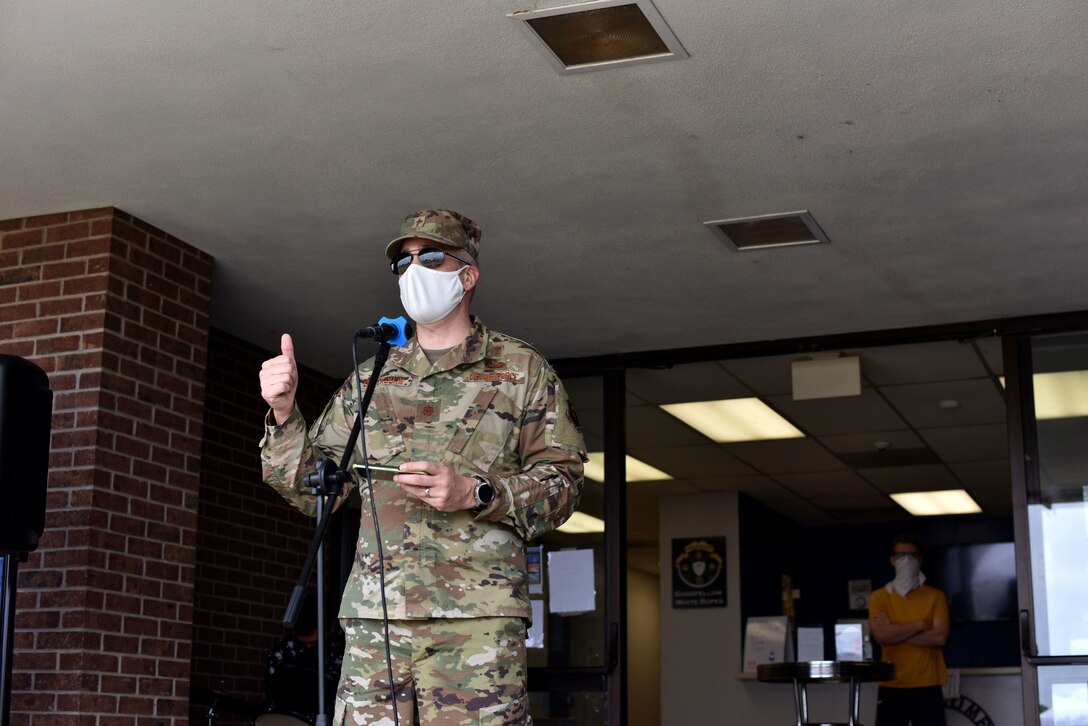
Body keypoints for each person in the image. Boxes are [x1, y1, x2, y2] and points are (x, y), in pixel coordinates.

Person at [258, 209, 587, 725]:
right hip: (376, 619)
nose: (413, 270)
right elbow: (313, 489)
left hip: (475, 623)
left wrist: (476, 493)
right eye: (403, 262)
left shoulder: (520, 370)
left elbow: (564, 487)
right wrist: (283, 413)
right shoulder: (370, 379)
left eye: (430, 257)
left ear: (467, 274)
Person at [868, 535, 950, 726]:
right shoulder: (879, 597)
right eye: (901, 555)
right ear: (892, 560)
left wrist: (895, 630)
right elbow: (881, 635)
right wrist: (920, 625)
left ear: (920, 560)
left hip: (928, 684)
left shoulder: (935, 596)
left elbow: (940, 637)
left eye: (912, 556)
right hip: (891, 685)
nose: (907, 561)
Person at [262, 595, 345, 722]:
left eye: (313, 643)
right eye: (303, 643)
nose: (308, 647)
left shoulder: (343, 650)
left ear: (332, 627)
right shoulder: (284, 648)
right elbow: (270, 693)